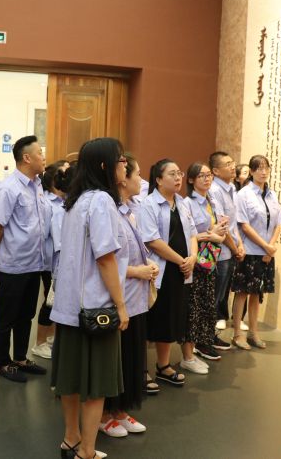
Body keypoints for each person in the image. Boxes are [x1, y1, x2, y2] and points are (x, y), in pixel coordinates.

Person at [50, 137, 129, 459]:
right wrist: (121, 305)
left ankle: (71, 439)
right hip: (96, 308)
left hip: (70, 306)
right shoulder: (101, 201)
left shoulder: (77, 200)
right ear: (104, 165)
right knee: (97, 385)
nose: (125, 165)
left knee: (70, 379)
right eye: (121, 160)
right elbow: (106, 257)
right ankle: (87, 450)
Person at [99, 153, 158, 439]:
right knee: (115, 359)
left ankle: (121, 410)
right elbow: (104, 260)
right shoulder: (108, 210)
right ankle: (104, 414)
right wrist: (136, 271)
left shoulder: (131, 209)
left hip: (136, 296)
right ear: (122, 180)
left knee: (132, 356)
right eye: (136, 174)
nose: (140, 180)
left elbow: (134, 249)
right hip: (118, 296)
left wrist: (147, 265)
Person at [0, 135, 51, 382]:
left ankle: (21, 358)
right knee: (7, 316)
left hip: (34, 263)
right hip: (13, 265)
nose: (44, 157)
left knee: (26, 315)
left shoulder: (37, 185)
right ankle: (3, 362)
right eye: (40, 153)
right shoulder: (8, 188)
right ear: (26, 158)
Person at [138, 159, 200, 382]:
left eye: (179, 173)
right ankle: (141, 371)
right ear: (158, 179)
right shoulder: (148, 204)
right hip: (160, 271)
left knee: (170, 320)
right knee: (152, 320)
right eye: (172, 174)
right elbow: (152, 240)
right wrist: (182, 261)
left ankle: (163, 366)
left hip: (181, 271)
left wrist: (192, 258)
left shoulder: (182, 203)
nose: (178, 178)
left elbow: (193, 234)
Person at [230, 155, 281, 350]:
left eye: (266, 168)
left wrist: (271, 247)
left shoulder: (272, 194)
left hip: (267, 252)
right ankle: (238, 334)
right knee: (243, 292)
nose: (263, 172)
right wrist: (265, 246)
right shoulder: (243, 194)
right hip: (250, 251)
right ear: (251, 171)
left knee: (257, 294)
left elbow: (279, 222)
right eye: (259, 168)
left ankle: (254, 332)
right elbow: (244, 226)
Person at [184, 162, 230, 361]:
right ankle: (197, 343)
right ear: (191, 180)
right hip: (197, 258)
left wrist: (218, 233)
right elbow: (188, 235)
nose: (207, 179)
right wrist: (211, 234)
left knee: (209, 302)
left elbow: (221, 231)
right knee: (196, 304)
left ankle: (207, 338)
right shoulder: (187, 203)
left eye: (209, 175)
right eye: (201, 176)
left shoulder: (212, 201)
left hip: (212, 257)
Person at [32, 160, 69, 360]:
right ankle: (39, 342)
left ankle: (51, 336)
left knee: (57, 300)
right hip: (51, 261)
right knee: (49, 300)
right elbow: (47, 234)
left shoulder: (66, 200)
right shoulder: (48, 203)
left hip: (61, 260)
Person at [208, 151, 246, 331]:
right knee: (214, 297)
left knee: (221, 295)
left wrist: (240, 245)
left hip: (231, 250)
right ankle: (206, 337)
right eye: (227, 164)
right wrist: (235, 248)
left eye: (233, 163)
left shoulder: (232, 188)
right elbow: (222, 224)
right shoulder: (214, 190)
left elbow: (234, 222)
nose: (233, 167)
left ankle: (211, 336)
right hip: (220, 252)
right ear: (215, 171)